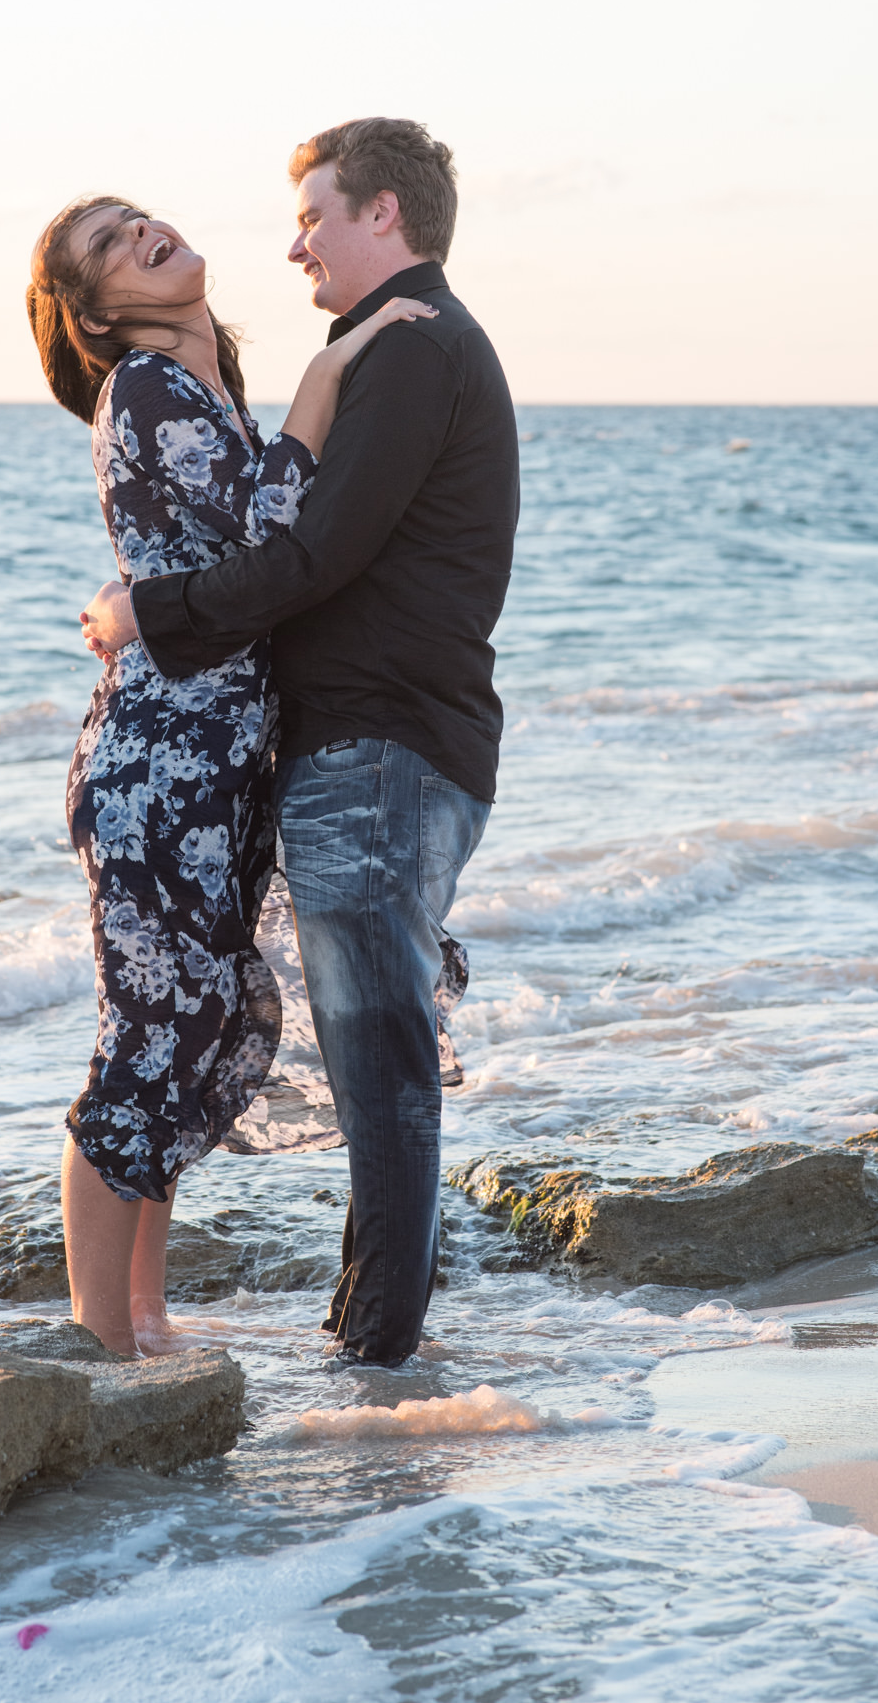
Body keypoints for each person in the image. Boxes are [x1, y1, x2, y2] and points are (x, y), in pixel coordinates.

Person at [80, 118, 520, 1367]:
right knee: (353, 1053)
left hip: (379, 751)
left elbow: (307, 558)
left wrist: (141, 612)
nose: (293, 244)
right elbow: (288, 538)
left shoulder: (408, 352)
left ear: (381, 214)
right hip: (366, 750)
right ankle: (362, 1345)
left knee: (378, 1065)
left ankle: (373, 1370)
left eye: (315, 216)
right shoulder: (385, 349)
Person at [28, 192, 437, 1356]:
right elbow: (278, 536)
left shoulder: (202, 391)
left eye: (136, 217)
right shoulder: (146, 390)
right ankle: (94, 1342)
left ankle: (142, 1317)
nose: (141, 233)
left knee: (189, 1025)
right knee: (144, 1037)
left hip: (211, 776)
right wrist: (339, 363)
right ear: (96, 312)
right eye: (108, 245)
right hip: (155, 772)